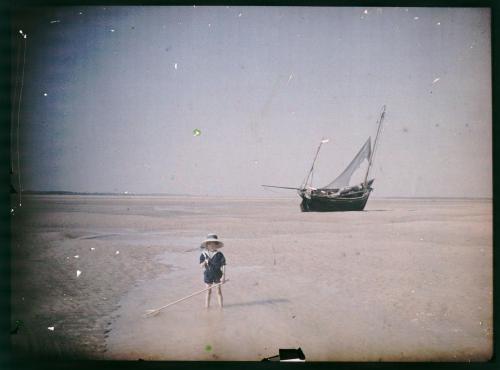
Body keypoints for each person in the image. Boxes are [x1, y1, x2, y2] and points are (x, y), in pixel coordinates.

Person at [199, 234, 226, 308]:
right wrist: (205, 261)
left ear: (216, 245)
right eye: (210, 244)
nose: (212, 246)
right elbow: (201, 266)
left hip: (218, 275)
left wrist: (223, 276)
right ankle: (206, 307)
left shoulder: (219, 254)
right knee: (208, 291)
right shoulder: (203, 254)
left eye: (214, 244)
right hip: (208, 275)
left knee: (218, 291)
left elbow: (223, 265)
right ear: (207, 245)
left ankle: (221, 307)